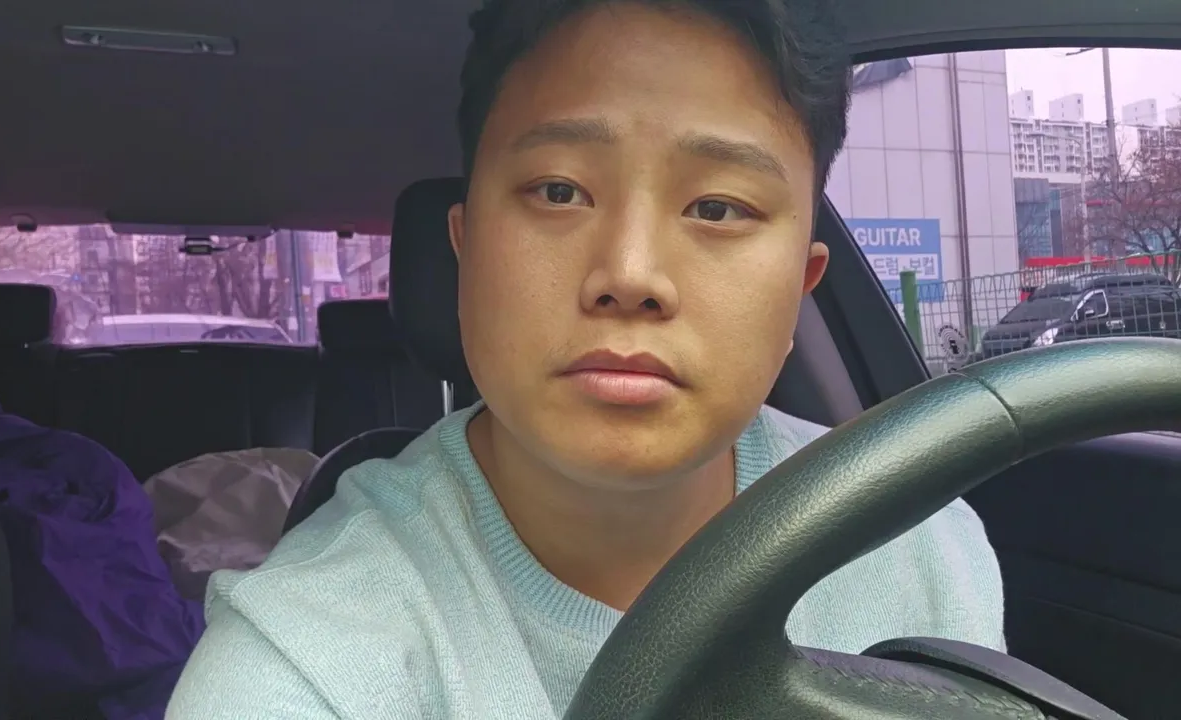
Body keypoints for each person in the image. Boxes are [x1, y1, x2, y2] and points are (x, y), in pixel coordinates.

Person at [166, 1, 1004, 717]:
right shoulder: (304, 663)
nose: (630, 274)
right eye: (559, 191)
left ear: (800, 287)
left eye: (717, 207)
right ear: (466, 251)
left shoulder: (916, 547)